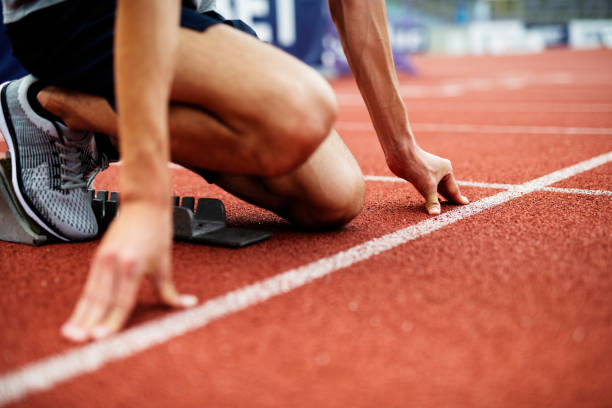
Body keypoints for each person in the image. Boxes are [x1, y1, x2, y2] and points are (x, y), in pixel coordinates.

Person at [0, 0, 469, 342]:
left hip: (185, 15)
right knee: (297, 111)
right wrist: (145, 199)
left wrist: (401, 146)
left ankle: (98, 127)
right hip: (71, 12)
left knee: (334, 196)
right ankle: (50, 107)